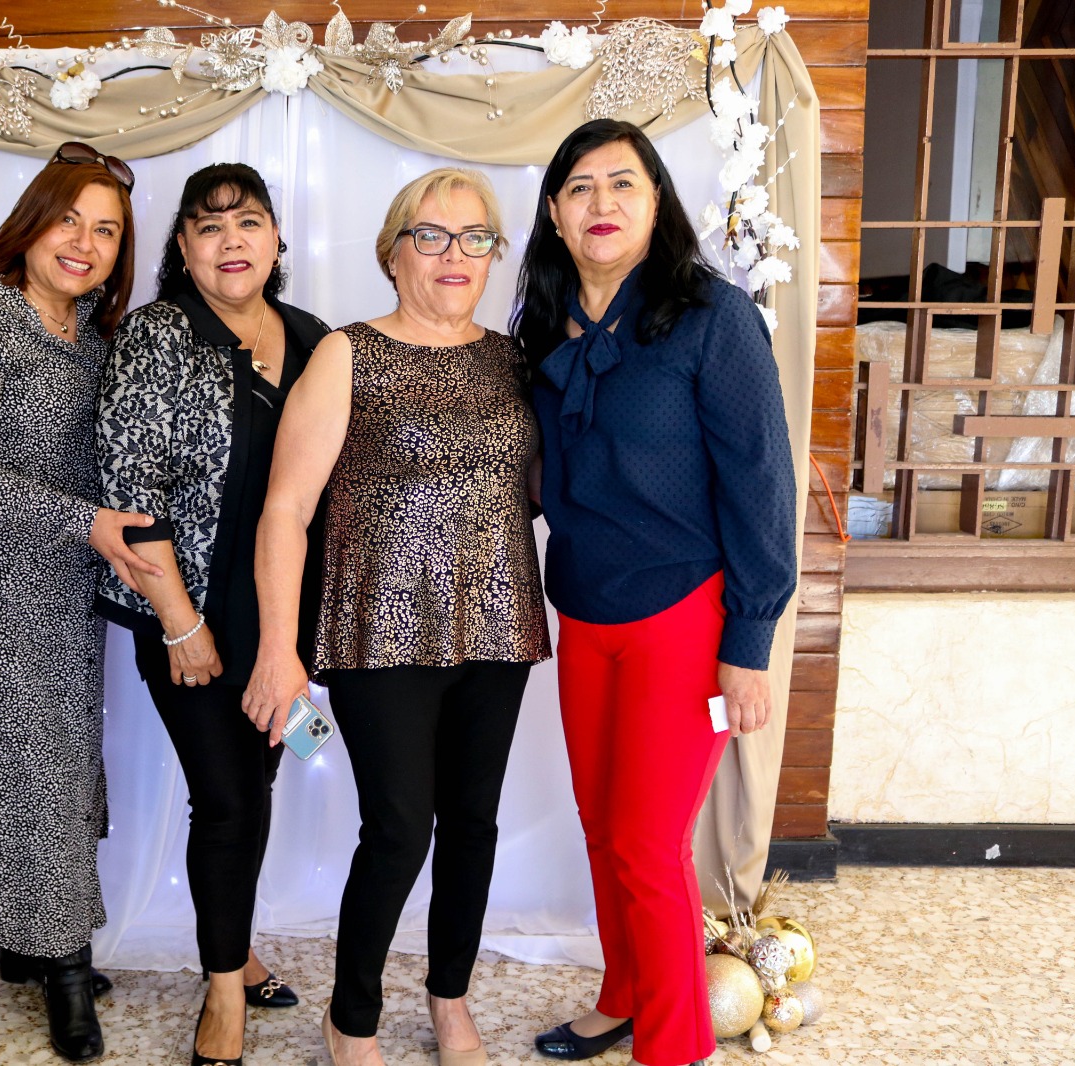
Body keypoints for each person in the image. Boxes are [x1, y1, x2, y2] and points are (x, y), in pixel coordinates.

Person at [244, 168, 551, 1066]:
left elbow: (540, 489)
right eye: (431, 235)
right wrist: (277, 649)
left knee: (473, 825)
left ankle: (450, 999)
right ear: (393, 252)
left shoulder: (514, 361)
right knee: (398, 830)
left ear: (493, 255)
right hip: (378, 634)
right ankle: (352, 1017)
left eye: (475, 237)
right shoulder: (348, 354)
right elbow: (285, 510)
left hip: (498, 627)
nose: (455, 255)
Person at [511, 119, 797, 1066]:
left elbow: (762, 485)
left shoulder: (714, 317)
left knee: (646, 842)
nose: (602, 203)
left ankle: (675, 1048)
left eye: (622, 183)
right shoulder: (544, 328)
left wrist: (748, 644)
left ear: (657, 201)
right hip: (586, 612)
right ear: (555, 214)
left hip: (685, 614)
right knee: (604, 830)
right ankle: (626, 992)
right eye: (580, 187)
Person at [0, 143, 161, 1063]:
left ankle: (30, 941)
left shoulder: (93, 338)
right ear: (30, 224)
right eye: (69, 221)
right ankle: (64, 966)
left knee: (52, 767)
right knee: (20, 768)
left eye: (107, 231)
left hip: (62, 583)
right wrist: (88, 522)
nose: (85, 243)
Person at [96, 163, 328, 1066]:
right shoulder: (159, 335)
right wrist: (180, 624)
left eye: (249, 221)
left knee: (259, 784)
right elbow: (131, 490)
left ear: (277, 239)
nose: (232, 240)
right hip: (187, 613)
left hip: (280, 619)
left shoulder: (312, 339)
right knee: (226, 800)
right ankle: (224, 992)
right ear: (185, 249)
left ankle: (236, 947)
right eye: (209, 225)